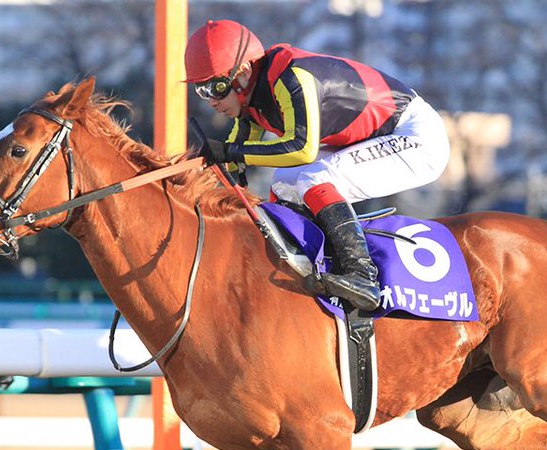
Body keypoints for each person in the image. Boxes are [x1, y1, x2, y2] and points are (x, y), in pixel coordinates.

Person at [184, 20, 450, 311]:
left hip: (415, 135)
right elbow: (235, 160)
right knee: (283, 184)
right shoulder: (249, 97)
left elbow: (301, 149)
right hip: (371, 137)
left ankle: (362, 276)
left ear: (244, 72)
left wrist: (231, 153)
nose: (211, 100)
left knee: (315, 178)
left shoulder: (292, 78)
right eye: (202, 90)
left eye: (216, 86)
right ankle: (305, 264)